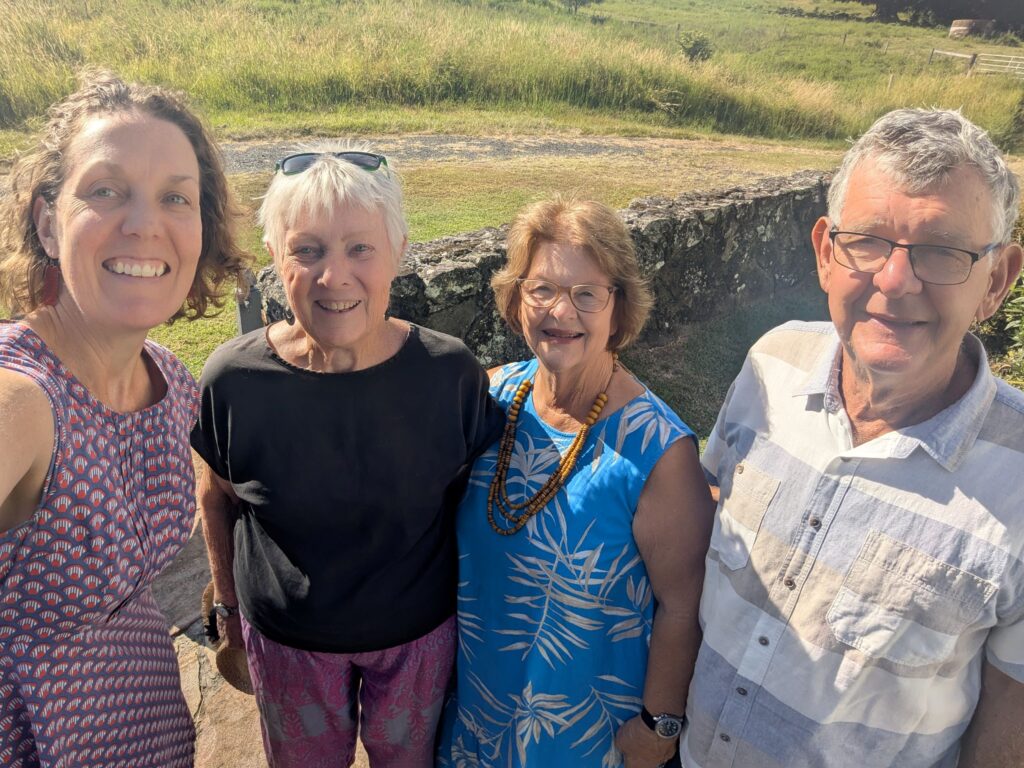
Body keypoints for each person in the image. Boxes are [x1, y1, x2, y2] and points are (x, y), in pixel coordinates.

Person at [684, 108, 1024, 768]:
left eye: (942, 251)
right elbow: (715, 502)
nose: (895, 281)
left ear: (997, 281)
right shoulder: (770, 364)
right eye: (866, 241)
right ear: (824, 252)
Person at [191, 145, 505, 768]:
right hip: (289, 645)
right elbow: (216, 493)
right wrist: (227, 608)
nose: (334, 277)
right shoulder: (234, 379)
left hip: (417, 640)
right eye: (307, 250)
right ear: (276, 261)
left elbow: (478, 497)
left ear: (398, 252)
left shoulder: (451, 374)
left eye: (360, 248)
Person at [0, 69, 248, 767]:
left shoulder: (170, 379)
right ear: (48, 221)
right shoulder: (22, 395)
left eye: (175, 197)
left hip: (153, 728)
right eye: (105, 190)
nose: (144, 224)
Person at [437, 197, 715, 768]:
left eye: (586, 294)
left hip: (585, 738)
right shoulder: (487, 399)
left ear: (619, 307)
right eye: (541, 289)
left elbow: (683, 605)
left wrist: (658, 728)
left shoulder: (658, 453)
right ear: (516, 299)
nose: (560, 311)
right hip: (475, 720)